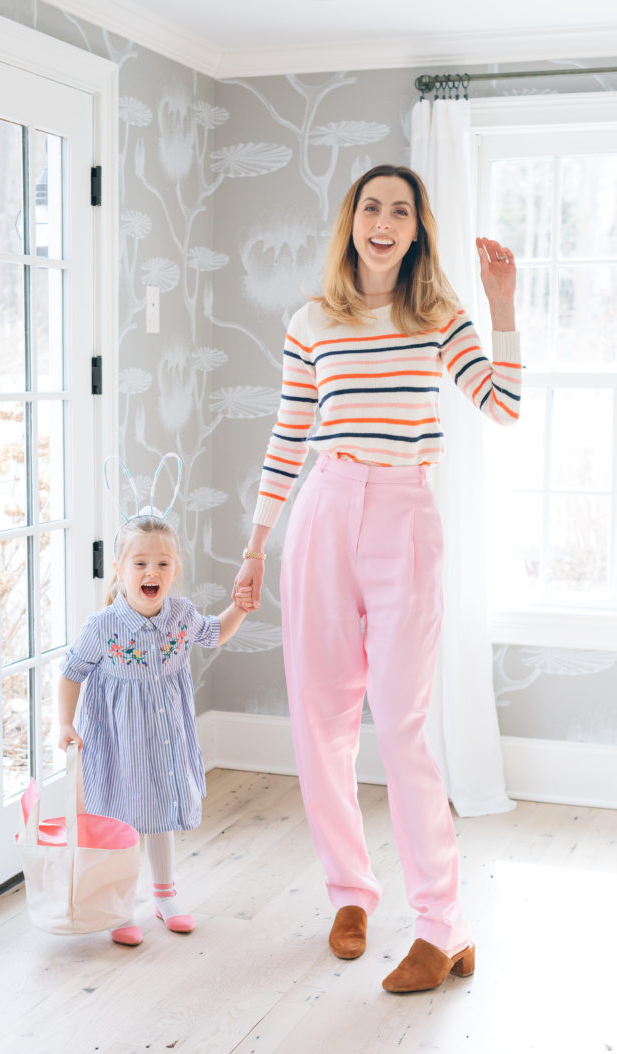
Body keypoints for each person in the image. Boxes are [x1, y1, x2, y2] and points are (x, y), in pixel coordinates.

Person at [232, 164, 521, 993]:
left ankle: (442, 924)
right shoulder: (312, 320)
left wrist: (500, 308)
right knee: (320, 721)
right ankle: (350, 894)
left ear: (417, 227)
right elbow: (289, 437)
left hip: (403, 516)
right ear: (350, 221)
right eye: (371, 207)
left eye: (401, 209)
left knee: (399, 725)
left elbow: (502, 407)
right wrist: (256, 546)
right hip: (323, 511)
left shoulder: (437, 316)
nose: (384, 221)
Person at [58, 513, 251, 945]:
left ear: (175, 570)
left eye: (163, 564)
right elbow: (71, 673)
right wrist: (64, 723)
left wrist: (240, 605)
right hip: (118, 741)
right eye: (140, 563)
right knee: (123, 819)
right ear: (120, 570)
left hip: (163, 736)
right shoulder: (103, 627)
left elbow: (214, 633)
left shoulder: (181, 616)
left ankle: (165, 896)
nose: (152, 572)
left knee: (159, 809)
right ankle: (119, 906)